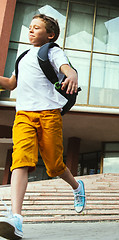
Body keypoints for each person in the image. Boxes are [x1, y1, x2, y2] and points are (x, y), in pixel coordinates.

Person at [0, 14, 85, 239]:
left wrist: (73, 74)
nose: (30, 30)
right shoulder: (23, 56)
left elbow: (66, 68)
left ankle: (77, 187)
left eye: (36, 28)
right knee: (21, 160)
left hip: (49, 114)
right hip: (24, 116)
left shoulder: (52, 51)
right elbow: (11, 84)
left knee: (55, 166)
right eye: (29, 27)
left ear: (50, 34)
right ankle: (16, 217)